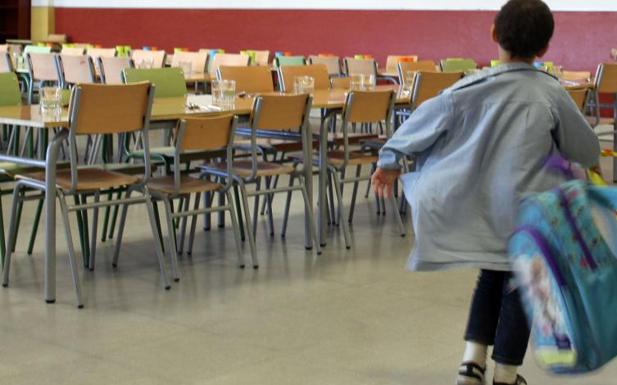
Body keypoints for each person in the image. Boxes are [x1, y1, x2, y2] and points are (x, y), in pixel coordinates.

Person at [371, 1, 600, 384]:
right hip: (530, 220)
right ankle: (506, 375)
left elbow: (422, 122)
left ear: (494, 33)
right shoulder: (551, 93)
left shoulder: (466, 88)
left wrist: (390, 160)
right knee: (525, 288)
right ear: (544, 49)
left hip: (485, 215)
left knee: (490, 278)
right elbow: (587, 150)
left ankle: (471, 362)